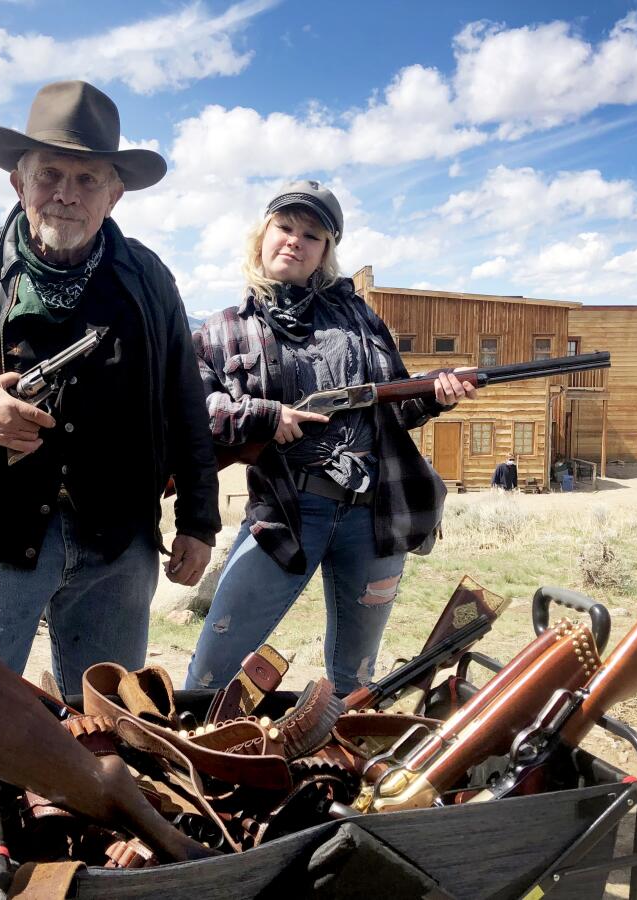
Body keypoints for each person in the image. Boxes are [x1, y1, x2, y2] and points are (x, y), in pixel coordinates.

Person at [0, 80, 220, 900]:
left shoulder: (147, 279)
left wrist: (199, 517)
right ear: (17, 180)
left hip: (116, 543)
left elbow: (185, 405)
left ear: (115, 189)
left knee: (111, 726)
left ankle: (92, 875)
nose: (65, 193)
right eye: (49, 175)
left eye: (85, 178)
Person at [185, 181, 475, 696]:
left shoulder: (360, 318)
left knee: (354, 680)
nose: (295, 241)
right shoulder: (221, 330)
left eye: (311, 235)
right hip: (286, 512)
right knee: (210, 675)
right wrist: (264, 416)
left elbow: (397, 407)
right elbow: (194, 411)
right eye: (286, 228)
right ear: (263, 236)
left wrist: (438, 392)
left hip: (374, 515)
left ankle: (339, 767)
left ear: (325, 253)